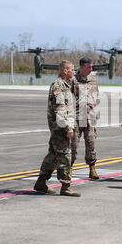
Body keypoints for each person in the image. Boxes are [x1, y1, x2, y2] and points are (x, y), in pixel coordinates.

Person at [34, 60, 81, 197]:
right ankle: (66, 186)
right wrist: (68, 128)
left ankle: (41, 182)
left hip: (59, 127)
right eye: (72, 70)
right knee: (65, 155)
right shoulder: (58, 85)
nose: (74, 72)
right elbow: (60, 108)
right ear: (65, 71)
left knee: (53, 156)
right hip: (60, 128)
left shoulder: (66, 85)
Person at [70, 57, 101, 180]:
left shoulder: (93, 80)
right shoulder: (73, 80)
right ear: (82, 67)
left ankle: (92, 168)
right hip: (77, 118)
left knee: (91, 144)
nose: (91, 69)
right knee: (73, 145)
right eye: (89, 67)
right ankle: (69, 168)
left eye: (91, 67)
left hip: (90, 118)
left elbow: (97, 96)